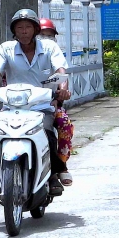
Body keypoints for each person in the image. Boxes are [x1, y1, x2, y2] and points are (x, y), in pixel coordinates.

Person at [0, 9, 71, 198]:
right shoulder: (6, 48)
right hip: (13, 106)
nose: (24, 31)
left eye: (28, 27)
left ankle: (54, 172)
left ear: (36, 29)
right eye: (19, 28)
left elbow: (61, 70)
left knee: (48, 130)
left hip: (42, 106)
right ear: (14, 31)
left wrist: (62, 89)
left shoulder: (49, 48)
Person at [38, 18, 74, 185]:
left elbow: (62, 74)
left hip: (50, 104)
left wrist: (62, 92)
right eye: (42, 35)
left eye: (49, 36)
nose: (45, 39)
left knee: (64, 123)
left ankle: (62, 165)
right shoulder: (17, 54)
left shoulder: (53, 53)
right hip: (20, 106)